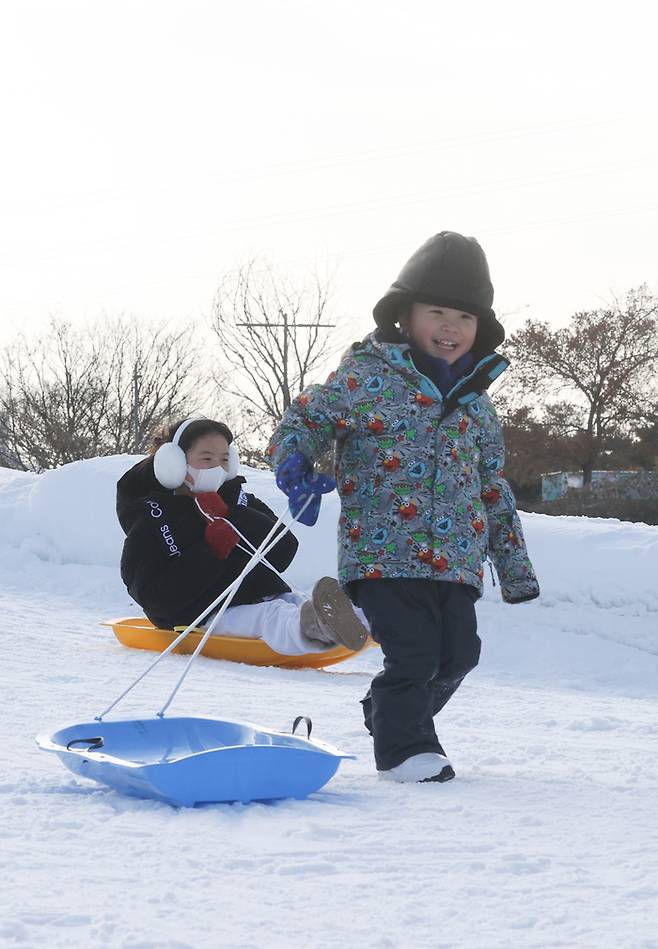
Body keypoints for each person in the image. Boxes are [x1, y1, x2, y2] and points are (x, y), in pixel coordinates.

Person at [269, 231, 540, 782]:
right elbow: (305, 420)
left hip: (458, 561)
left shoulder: (478, 405)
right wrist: (295, 463)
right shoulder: (367, 378)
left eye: (464, 318)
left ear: (478, 331)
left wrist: (513, 568)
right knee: (414, 655)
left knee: (458, 656)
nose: (450, 327)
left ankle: (387, 712)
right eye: (436, 311)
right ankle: (406, 752)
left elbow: (493, 487)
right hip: (382, 553)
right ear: (405, 316)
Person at [116, 417, 369, 656]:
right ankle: (316, 629)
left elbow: (283, 551)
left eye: (225, 458)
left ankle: (371, 618)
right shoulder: (154, 516)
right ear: (175, 463)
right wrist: (211, 552)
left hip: (259, 593)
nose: (218, 466)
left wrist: (235, 515)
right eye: (207, 458)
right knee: (272, 616)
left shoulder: (236, 499)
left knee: (293, 600)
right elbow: (153, 596)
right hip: (204, 613)